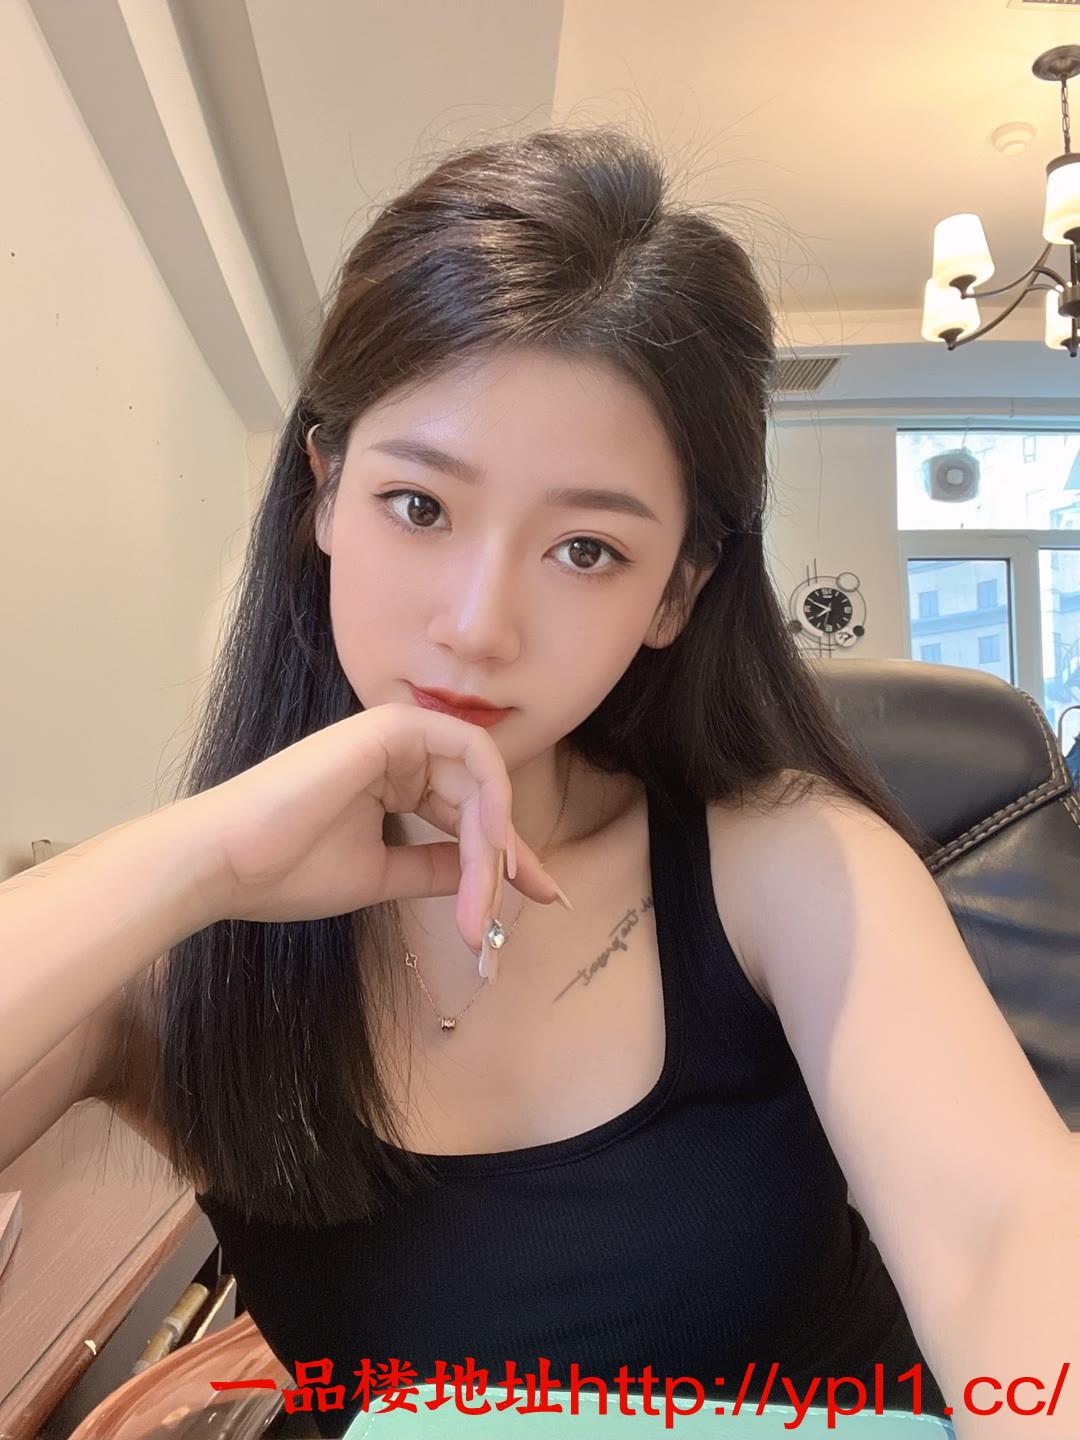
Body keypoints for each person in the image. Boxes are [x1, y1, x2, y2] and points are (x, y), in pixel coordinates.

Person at [2, 126, 1075, 1440]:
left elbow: (1009, 1233)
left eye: (585, 549)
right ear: (322, 493)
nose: (477, 625)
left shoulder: (785, 865)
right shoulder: (176, 962)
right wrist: (198, 861)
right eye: (420, 507)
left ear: (675, 593)